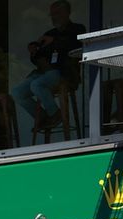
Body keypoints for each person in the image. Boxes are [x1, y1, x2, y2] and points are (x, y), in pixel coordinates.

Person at [12, 1, 86, 132]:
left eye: (57, 14)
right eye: (52, 15)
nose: (54, 17)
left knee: (36, 85)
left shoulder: (77, 29)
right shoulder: (50, 33)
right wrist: (34, 51)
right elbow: (37, 57)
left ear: (67, 13)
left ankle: (55, 114)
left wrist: (54, 42)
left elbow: (76, 47)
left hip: (65, 73)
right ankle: (42, 117)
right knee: (17, 92)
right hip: (45, 73)